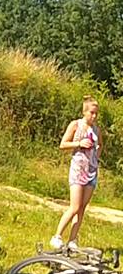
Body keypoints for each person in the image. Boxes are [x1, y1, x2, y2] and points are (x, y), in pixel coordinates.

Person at [50, 95, 103, 250]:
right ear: (84, 112)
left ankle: (73, 240)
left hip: (91, 172)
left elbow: (100, 145)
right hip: (77, 170)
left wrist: (96, 158)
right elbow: (63, 144)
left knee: (82, 208)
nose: (93, 116)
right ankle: (57, 236)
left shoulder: (96, 130)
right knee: (74, 206)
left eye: (96, 114)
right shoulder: (75, 125)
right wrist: (79, 143)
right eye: (91, 113)